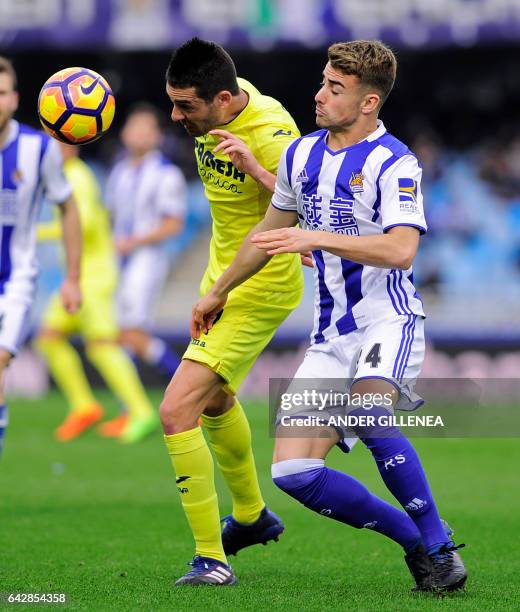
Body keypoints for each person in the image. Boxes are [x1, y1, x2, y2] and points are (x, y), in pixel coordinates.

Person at [191, 40, 468, 593]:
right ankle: (417, 541)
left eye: (334, 89)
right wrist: (218, 290)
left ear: (368, 102)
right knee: (292, 473)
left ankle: (441, 550)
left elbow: (401, 250)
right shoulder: (301, 155)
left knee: (368, 415)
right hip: (330, 335)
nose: (318, 96)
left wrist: (315, 235)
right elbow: (271, 231)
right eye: (322, 82)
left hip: (387, 320)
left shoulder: (396, 162)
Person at [162, 37, 304, 586]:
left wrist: (257, 169)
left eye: (186, 107)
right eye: (172, 102)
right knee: (217, 398)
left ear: (223, 99)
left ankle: (211, 559)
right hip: (221, 276)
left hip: (258, 284)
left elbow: (306, 206)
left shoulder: (271, 134)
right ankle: (251, 517)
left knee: (176, 410)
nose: (177, 116)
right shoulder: (224, 101)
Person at [35, 143, 158, 444]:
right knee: (49, 337)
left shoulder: (76, 177)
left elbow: (84, 222)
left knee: (101, 344)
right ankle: (84, 405)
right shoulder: (66, 174)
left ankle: (142, 412)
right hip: (78, 276)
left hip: (94, 275)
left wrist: (35, 232)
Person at [0, 56, 81, 458]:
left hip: (15, 280)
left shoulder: (38, 149)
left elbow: (68, 206)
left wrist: (72, 278)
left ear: (14, 99)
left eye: (1, 93)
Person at [105, 104, 186, 396]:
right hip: (119, 259)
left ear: (157, 136)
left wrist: (135, 241)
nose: (138, 134)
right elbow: (112, 216)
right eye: (133, 127)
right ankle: (131, 408)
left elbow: (174, 224)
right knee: (119, 335)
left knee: (133, 333)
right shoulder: (120, 172)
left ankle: (186, 388)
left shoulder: (166, 174)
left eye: (145, 128)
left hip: (146, 260)